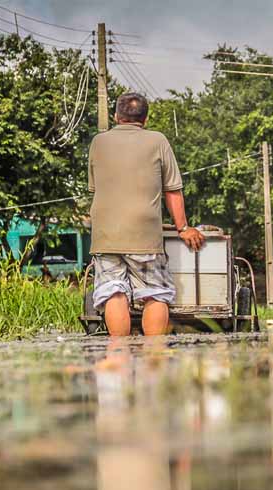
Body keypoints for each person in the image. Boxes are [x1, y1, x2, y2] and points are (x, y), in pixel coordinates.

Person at [88, 92, 204, 336]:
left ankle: (118, 355)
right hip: (144, 233)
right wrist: (183, 228)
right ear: (146, 118)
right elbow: (173, 190)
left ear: (116, 116)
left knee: (113, 291)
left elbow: (95, 188)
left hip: (105, 233)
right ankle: (153, 356)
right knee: (155, 292)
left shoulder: (98, 142)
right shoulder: (157, 140)